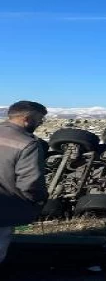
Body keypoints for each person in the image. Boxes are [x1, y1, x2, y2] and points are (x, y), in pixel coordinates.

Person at [0, 101, 49, 266]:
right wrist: (36, 202)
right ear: (27, 118)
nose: (41, 123)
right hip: (4, 209)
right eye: (40, 119)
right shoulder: (27, 143)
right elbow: (30, 182)